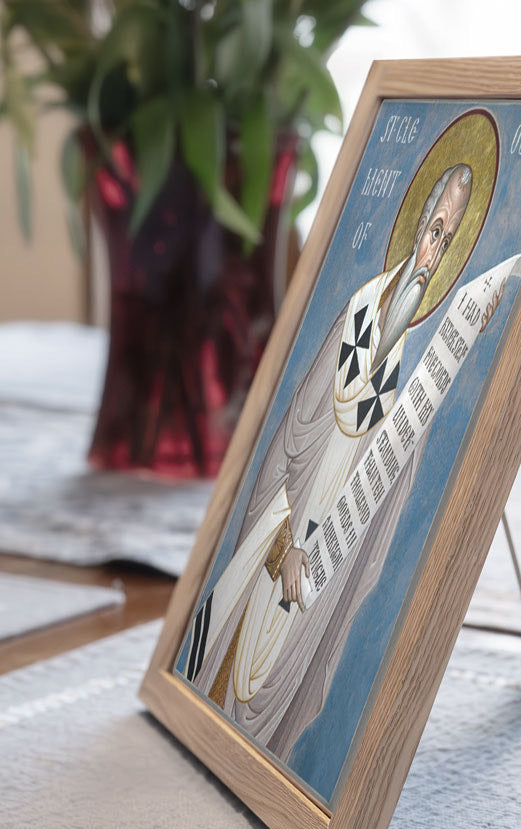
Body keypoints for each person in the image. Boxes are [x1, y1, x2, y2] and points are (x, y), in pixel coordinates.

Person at [183, 163, 473, 761]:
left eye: (447, 243)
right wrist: (287, 540)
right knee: (238, 669)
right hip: (284, 537)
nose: (432, 252)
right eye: (433, 229)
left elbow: (388, 477)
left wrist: (409, 434)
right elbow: (295, 435)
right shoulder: (358, 316)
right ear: (417, 225)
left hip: (331, 554)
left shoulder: (410, 367)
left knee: (278, 685)